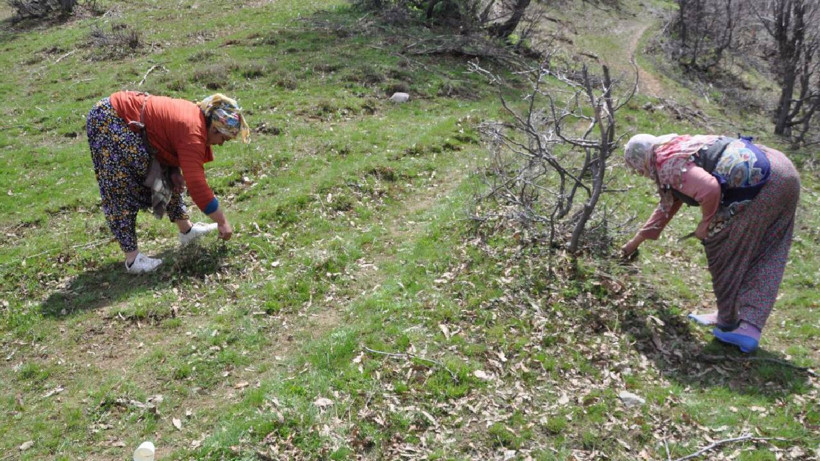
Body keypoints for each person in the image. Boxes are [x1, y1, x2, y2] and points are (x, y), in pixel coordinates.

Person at [621, 134, 800, 353]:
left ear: (641, 161)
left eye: (637, 169)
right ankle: (747, 326)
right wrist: (633, 244)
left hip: (760, 181)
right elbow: (666, 208)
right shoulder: (677, 148)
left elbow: (709, 189)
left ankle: (730, 321)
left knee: (721, 245)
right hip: (784, 171)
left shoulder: (665, 163)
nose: (640, 174)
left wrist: (705, 225)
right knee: (768, 252)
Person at [86, 91, 250, 273]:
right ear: (214, 129)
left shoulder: (195, 120)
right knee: (121, 185)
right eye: (223, 139)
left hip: (129, 123)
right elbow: (197, 185)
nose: (220, 144)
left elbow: (165, 138)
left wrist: (173, 170)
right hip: (110, 119)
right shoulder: (193, 130)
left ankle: (186, 231)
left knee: (166, 175)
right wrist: (222, 221)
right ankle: (133, 260)